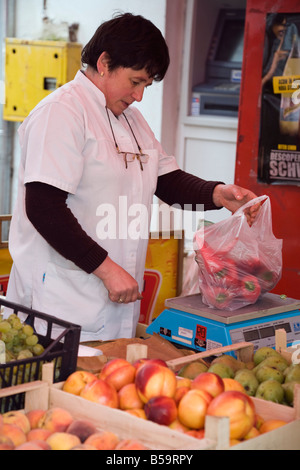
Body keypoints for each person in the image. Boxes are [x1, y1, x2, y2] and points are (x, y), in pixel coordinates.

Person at [6, 13, 259, 342]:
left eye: (146, 86)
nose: (139, 96)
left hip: (113, 300)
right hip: (58, 301)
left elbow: (165, 180)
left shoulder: (131, 120)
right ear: (105, 62)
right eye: (136, 81)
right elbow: (43, 207)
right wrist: (107, 269)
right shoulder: (62, 113)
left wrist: (217, 195)